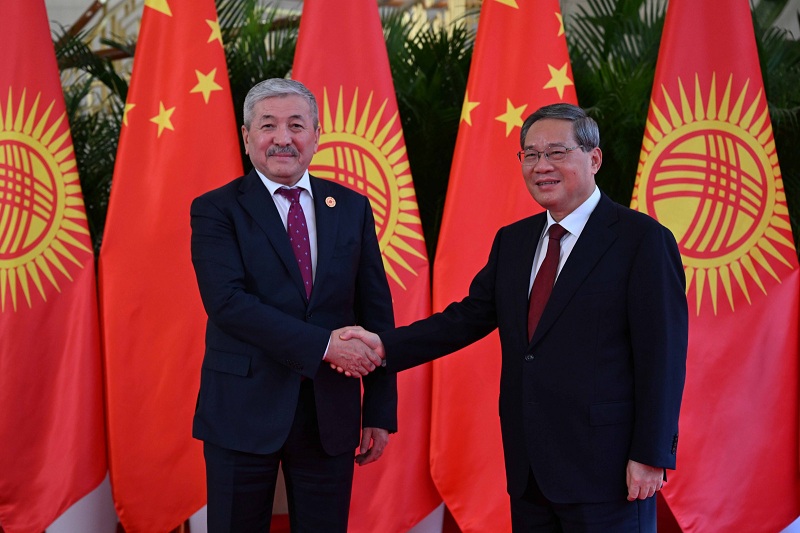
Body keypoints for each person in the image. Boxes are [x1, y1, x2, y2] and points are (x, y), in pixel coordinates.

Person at [341, 103, 688, 532]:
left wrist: (651, 454)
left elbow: (663, 357)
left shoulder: (642, 240)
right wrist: (383, 346)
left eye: (556, 152)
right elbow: (466, 319)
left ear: (594, 158)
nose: (542, 166)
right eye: (531, 154)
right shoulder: (515, 241)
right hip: (529, 470)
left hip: (609, 469)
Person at [190, 77, 395, 532]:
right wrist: (325, 346)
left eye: (296, 125)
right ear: (247, 137)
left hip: (330, 412)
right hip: (241, 409)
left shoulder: (352, 207)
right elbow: (227, 303)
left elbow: (375, 313)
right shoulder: (216, 209)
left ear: (316, 136)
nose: (283, 138)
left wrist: (379, 410)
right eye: (268, 125)